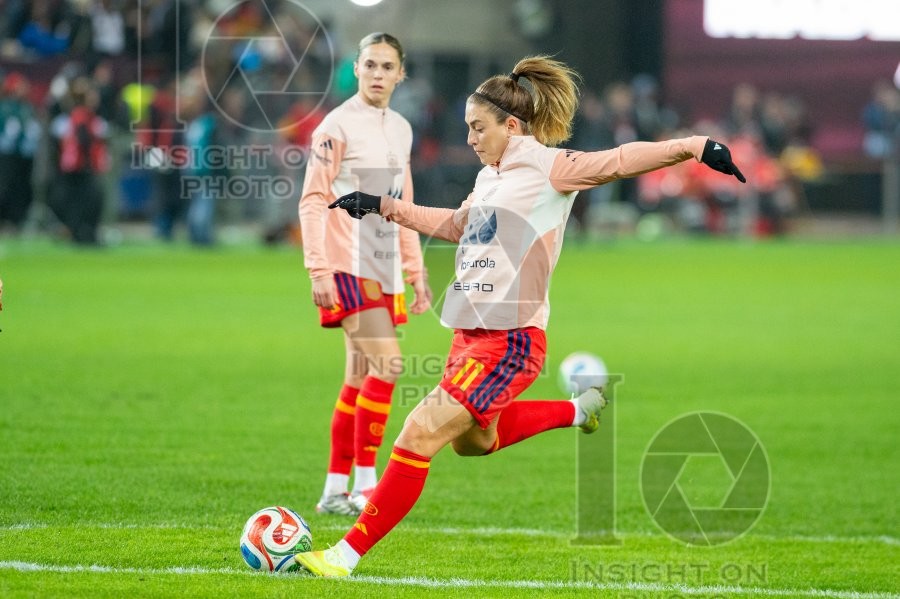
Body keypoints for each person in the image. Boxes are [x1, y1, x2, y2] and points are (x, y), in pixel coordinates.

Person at [293, 55, 745, 577]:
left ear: (512, 125)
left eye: (477, 128)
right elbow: (456, 225)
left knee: (417, 434)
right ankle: (579, 410)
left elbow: (619, 159)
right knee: (473, 442)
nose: (470, 138)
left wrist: (692, 146)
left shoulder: (549, 168)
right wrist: (381, 205)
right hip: (469, 336)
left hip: (508, 342)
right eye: (467, 128)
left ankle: (341, 557)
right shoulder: (490, 178)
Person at [298, 33, 432, 517]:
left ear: (401, 74)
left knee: (358, 375)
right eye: (370, 65)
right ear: (356, 69)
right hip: (347, 263)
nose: (378, 74)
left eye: (387, 66)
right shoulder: (335, 127)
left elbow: (404, 206)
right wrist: (317, 268)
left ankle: (335, 489)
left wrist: (415, 270)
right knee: (390, 366)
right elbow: (313, 199)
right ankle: (365, 486)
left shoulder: (401, 128)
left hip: (385, 267)